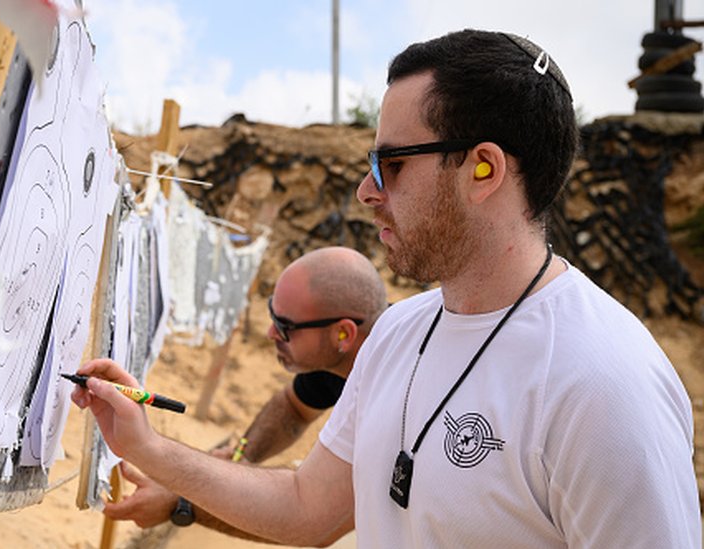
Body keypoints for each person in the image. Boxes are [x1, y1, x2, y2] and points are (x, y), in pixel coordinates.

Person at [72, 29, 701, 548]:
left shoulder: (606, 387)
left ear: (484, 169)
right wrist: (148, 446)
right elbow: (306, 506)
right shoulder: (399, 332)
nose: (366, 192)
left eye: (392, 165)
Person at [102, 246, 387, 537]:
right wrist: (242, 457)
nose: (270, 334)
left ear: (344, 334)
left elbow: (314, 520)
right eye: (272, 314)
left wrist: (184, 502)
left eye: (284, 326)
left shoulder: (394, 396)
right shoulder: (350, 356)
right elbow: (293, 407)